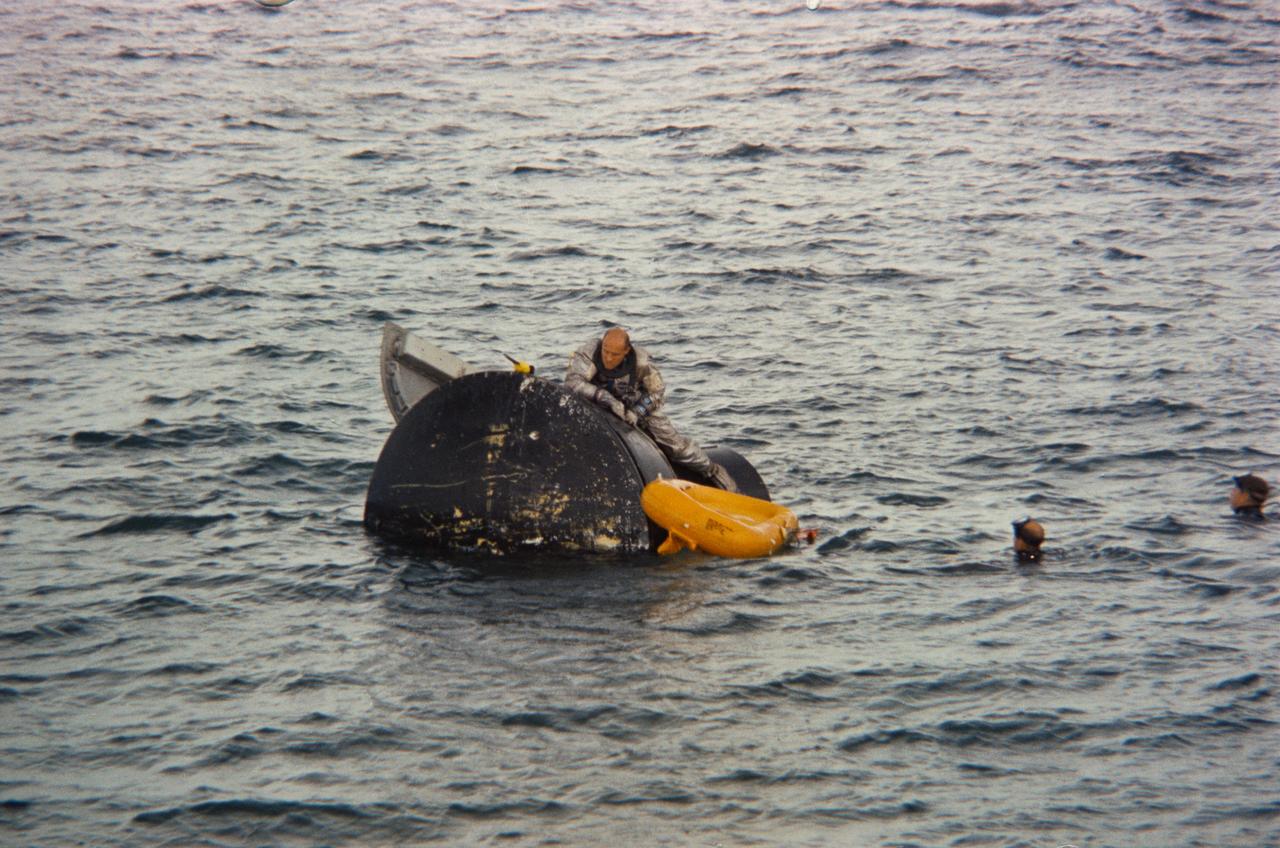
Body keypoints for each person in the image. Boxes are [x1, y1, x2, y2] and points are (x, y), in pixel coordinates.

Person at [565, 327, 737, 492]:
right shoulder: (589, 352)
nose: (608, 358)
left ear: (626, 352)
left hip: (636, 405)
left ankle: (712, 471)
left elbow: (657, 392)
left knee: (676, 447)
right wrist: (606, 398)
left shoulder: (641, 362)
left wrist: (636, 413)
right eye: (605, 351)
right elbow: (573, 382)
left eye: (614, 354)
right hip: (596, 404)